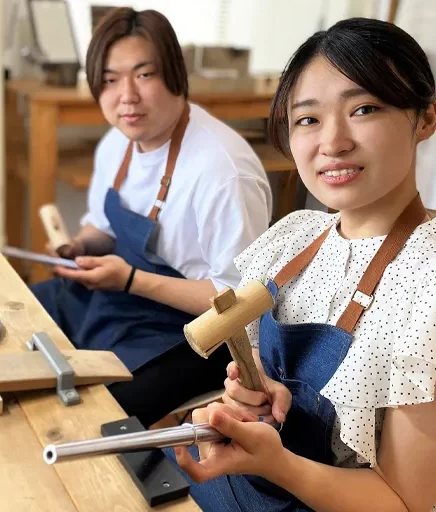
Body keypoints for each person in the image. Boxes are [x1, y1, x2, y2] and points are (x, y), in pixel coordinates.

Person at [167, 17, 436, 511]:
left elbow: (402, 502)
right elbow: (273, 391)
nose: (332, 141)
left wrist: (277, 464)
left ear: (425, 118)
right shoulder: (293, 240)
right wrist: (257, 400)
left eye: (364, 109)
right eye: (307, 119)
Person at [30, 7, 273, 428]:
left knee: (93, 410)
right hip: (127, 296)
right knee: (22, 320)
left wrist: (129, 280)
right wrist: (80, 246)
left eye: (143, 75)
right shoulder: (118, 142)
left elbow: (239, 303)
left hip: (198, 334)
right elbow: (104, 227)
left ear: (175, 75)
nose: (126, 96)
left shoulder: (222, 170)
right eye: (109, 79)